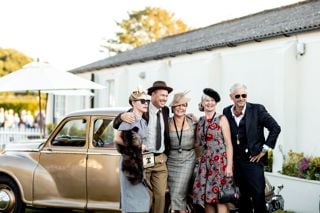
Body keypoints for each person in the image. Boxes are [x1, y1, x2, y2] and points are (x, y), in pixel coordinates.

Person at [113, 80, 173, 213]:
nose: (164, 98)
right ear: (153, 95)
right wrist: (122, 116)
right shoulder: (142, 110)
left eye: (166, 96)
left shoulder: (166, 110)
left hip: (160, 159)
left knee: (161, 195)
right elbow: (119, 125)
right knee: (145, 196)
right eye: (162, 95)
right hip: (144, 159)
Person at [222, 83, 281, 213]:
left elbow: (275, 128)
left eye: (244, 95)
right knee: (242, 199)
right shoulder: (226, 111)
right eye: (237, 96)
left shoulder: (257, 110)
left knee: (258, 196)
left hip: (253, 161)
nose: (241, 98)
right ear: (231, 97)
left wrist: (264, 150)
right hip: (236, 163)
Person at [193, 88, 233, 213]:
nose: (209, 103)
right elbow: (197, 144)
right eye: (207, 100)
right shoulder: (200, 121)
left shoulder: (222, 119)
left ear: (215, 103)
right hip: (205, 164)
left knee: (219, 198)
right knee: (207, 199)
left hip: (220, 163)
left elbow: (229, 144)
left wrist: (229, 167)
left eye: (212, 100)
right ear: (202, 103)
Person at [114, 87, 151, 213]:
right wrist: (136, 146)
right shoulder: (130, 118)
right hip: (130, 164)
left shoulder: (144, 121)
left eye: (147, 101)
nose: (146, 103)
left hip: (141, 163)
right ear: (133, 102)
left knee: (143, 200)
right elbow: (117, 138)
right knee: (132, 202)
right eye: (142, 101)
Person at [167, 92, 197, 213]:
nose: (181, 108)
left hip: (188, 159)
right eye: (178, 105)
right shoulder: (167, 122)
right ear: (173, 107)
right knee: (175, 193)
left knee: (178, 193)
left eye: (183, 105)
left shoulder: (192, 122)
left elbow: (199, 143)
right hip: (171, 160)